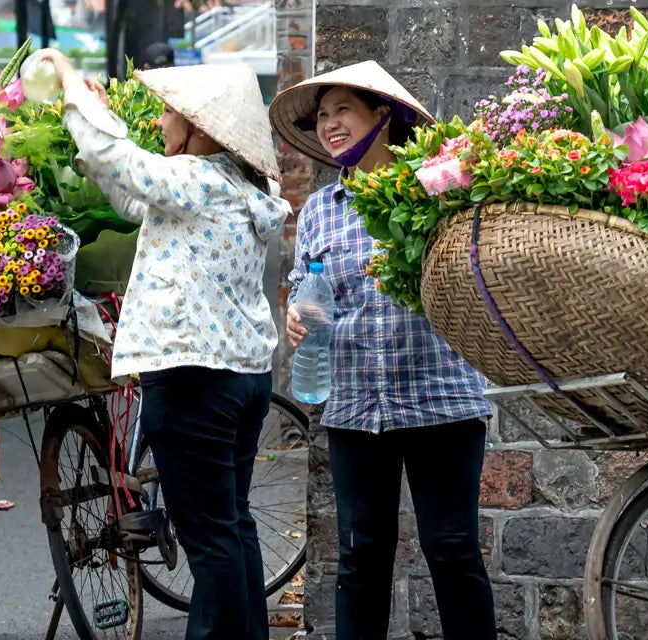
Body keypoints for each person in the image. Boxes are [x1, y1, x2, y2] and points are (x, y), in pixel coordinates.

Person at [31, 49, 292, 640]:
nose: (161, 122)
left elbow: (119, 162)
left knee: (210, 535)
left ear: (199, 126)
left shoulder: (199, 181)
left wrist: (72, 87)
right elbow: (131, 193)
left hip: (193, 379)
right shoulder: (231, 185)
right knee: (231, 525)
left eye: (170, 113)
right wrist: (97, 125)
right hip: (239, 380)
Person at [268, 60, 497, 639]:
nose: (329, 124)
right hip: (353, 407)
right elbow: (307, 288)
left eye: (342, 108)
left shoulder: (436, 189)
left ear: (382, 115)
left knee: (452, 552)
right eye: (321, 115)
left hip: (439, 399)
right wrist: (298, 315)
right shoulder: (320, 208)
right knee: (360, 558)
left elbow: (476, 276)